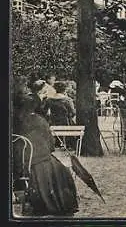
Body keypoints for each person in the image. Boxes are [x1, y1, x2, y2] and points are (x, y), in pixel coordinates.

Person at [12, 79, 79, 216]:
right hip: (35, 162)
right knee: (60, 170)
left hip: (17, 161)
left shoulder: (14, 120)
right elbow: (50, 146)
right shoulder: (39, 121)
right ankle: (56, 202)